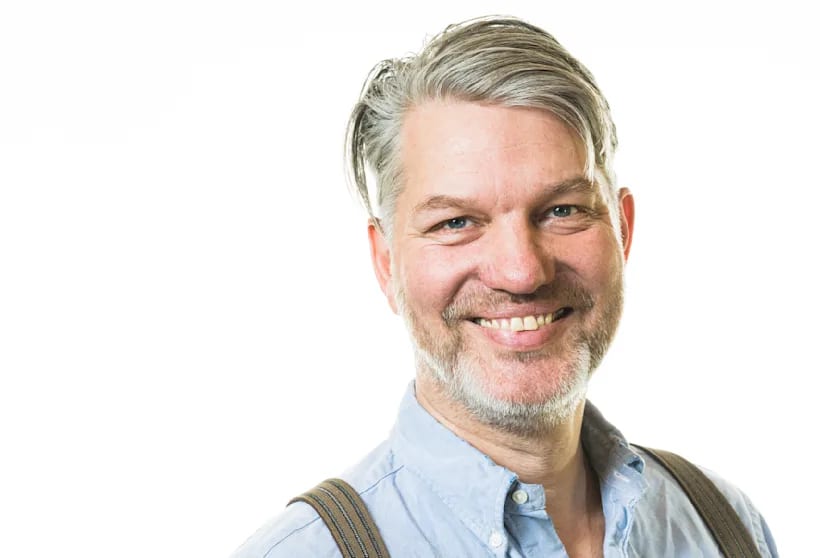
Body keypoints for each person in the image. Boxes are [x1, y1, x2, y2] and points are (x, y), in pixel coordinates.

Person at [232, 15, 778, 558]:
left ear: (623, 229)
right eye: (455, 223)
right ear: (386, 263)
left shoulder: (724, 527)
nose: (521, 272)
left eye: (562, 211)